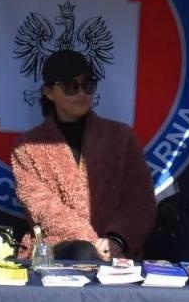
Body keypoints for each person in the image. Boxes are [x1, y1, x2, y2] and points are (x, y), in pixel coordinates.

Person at [11, 49, 155, 262]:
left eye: (87, 85)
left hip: (117, 251)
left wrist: (116, 240)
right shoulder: (27, 147)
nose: (81, 93)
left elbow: (140, 200)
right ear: (49, 92)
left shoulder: (122, 137)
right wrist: (92, 242)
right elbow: (42, 206)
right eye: (70, 86)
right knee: (83, 252)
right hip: (58, 251)